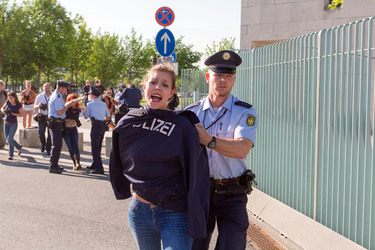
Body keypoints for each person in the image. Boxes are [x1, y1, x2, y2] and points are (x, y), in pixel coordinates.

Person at [109, 63, 210, 250]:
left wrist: (197, 214)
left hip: (175, 214)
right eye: (153, 82)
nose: (157, 87)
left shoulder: (183, 126)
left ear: (171, 93)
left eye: (164, 84)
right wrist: (127, 188)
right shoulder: (130, 121)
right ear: (144, 86)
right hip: (139, 212)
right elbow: (117, 158)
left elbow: (197, 173)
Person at [186, 50, 258, 250]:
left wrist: (209, 141)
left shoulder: (245, 111)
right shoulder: (192, 112)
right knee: (194, 246)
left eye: (228, 76)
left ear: (234, 80)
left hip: (232, 192)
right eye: (218, 75)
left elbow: (242, 148)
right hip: (200, 193)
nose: (223, 80)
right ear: (208, 77)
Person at [48, 81, 80, 174]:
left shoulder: (57, 95)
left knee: (57, 145)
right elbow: (60, 112)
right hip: (56, 122)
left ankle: (55, 164)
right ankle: (53, 166)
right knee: (56, 145)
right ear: (61, 88)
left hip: (57, 122)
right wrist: (69, 105)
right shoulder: (57, 97)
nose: (66, 91)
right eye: (66, 88)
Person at [84, 86, 110, 174]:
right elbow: (107, 114)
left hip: (96, 125)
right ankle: (95, 164)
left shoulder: (90, 104)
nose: (89, 96)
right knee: (98, 146)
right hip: (102, 125)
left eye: (90, 94)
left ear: (93, 95)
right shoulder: (103, 104)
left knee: (94, 147)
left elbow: (86, 115)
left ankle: (99, 168)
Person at [63, 94, 85, 170]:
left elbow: (85, 107)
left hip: (74, 129)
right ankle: (74, 163)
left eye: (74, 100)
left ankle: (78, 162)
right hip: (66, 129)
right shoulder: (66, 107)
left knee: (76, 145)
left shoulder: (77, 108)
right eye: (71, 100)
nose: (73, 102)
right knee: (70, 147)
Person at [1, 91, 23, 160]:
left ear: (15, 98)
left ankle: (11, 154)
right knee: (8, 139)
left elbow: (21, 115)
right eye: (9, 98)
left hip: (13, 124)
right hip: (6, 123)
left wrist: (13, 114)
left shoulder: (18, 105)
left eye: (11, 98)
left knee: (10, 138)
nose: (10, 100)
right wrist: (4, 111)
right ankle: (19, 147)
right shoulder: (7, 102)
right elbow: (2, 108)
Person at [34, 83, 52, 155]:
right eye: (45, 88)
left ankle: (48, 148)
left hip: (50, 116)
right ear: (43, 88)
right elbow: (34, 106)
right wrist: (39, 106)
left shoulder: (53, 95)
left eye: (48, 88)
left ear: (50, 88)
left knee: (50, 133)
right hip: (42, 116)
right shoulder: (40, 96)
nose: (47, 89)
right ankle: (43, 144)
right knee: (41, 132)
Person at [0, 80, 8, 149]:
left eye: (0, 85)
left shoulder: (4, 93)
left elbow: (8, 102)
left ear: (2, 86)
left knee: (1, 129)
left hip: (2, 114)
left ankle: (2, 144)